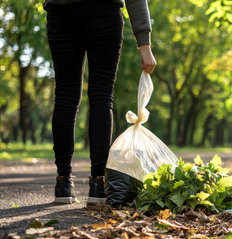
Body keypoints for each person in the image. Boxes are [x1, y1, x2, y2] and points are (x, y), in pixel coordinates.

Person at [44, 0, 157, 204]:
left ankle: (63, 182)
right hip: (103, 13)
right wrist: (144, 43)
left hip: (61, 11)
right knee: (102, 95)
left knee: (65, 95)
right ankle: (97, 183)